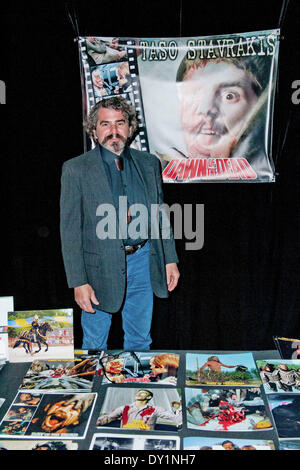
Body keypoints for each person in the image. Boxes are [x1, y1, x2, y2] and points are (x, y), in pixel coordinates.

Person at [60, 96, 179, 350]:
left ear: (130, 128)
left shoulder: (149, 164)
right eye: (105, 124)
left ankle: (135, 389)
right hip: (97, 268)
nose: (113, 131)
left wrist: (170, 258)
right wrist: (78, 282)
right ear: (94, 130)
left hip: (143, 261)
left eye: (120, 123)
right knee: (94, 344)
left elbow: (159, 214)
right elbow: (69, 231)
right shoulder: (76, 169)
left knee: (140, 341)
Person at [174, 53, 270, 163]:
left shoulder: (267, 169)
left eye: (229, 96)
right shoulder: (157, 171)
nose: (206, 109)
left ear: (259, 108)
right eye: (194, 94)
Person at [96, 389, 182, 431]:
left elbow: (175, 419)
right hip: (123, 438)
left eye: (143, 393)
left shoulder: (155, 409)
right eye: (138, 392)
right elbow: (108, 418)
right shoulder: (125, 408)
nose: (138, 394)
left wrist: (181, 408)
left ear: (149, 397)